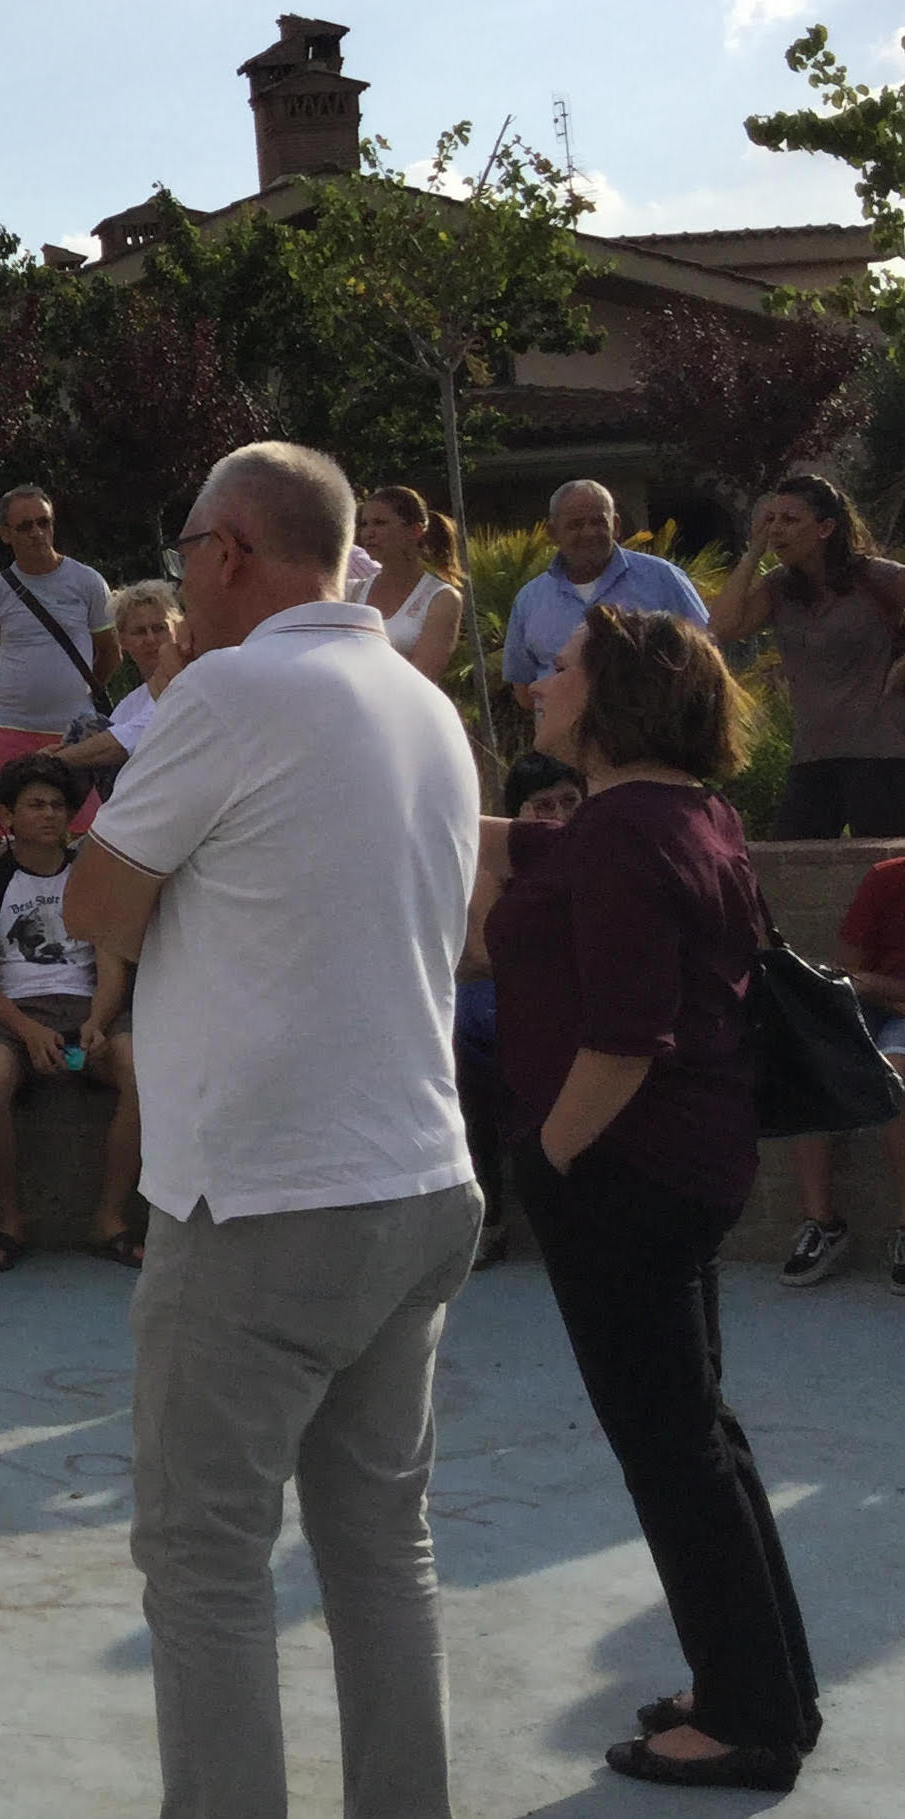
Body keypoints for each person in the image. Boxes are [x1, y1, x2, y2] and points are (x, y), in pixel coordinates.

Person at [64, 441, 484, 1819]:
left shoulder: (228, 690)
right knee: (382, 1548)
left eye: (186, 551)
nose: (179, 583)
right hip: (420, 1179)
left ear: (231, 549)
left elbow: (94, 908)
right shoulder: (424, 707)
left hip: (261, 1202)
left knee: (202, 1555)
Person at [480, 605, 817, 1791]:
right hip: (687, 1167)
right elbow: (521, 851)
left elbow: (625, 1037)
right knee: (702, 1438)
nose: (538, 682)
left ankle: (748, 1724)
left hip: (622, 1175)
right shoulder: (685, 813)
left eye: (560, 667)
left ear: (613, 692)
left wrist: (546, 1160)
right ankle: (762, 1684)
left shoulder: (624, 830)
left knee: (671, 1451)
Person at [0, 753, 141, 1272]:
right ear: (9, 816)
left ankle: (110, 1219)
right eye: (35, 805)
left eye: (59, 805)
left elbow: (111, 970)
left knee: (141, 1070)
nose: (49, 815)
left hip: (86, 1007)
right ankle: (8, 1222)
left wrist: (97, 1023)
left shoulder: (91, 875)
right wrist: (27, 1029)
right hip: (13, 1012)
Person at [709, 472, 905, 838]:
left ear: (826, 527)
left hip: (880, 754)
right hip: (812, 756)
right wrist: (753, 551)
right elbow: (721, 629)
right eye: (771, 520)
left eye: (789, 520)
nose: (776, 530)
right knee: (793, 866)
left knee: (882, 869)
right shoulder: (779, 588)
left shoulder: (875, 578)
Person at [454, 749, 584, 1267]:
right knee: (466, 1041)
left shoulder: (596, 854)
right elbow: (484, 952)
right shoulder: (499, 866)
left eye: (570, 802)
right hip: (497, 996)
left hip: (571, 1003)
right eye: (543, 806)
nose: (557, 816)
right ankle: (489, 1213)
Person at [777, 849, 905, 1293]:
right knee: (811, 1061)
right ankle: (823, 1224)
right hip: (875, 1003)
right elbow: (848, 970)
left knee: (895, 1074)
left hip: (891, 1003)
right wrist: (888, 993)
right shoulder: (886, 878)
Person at [0, 485, 117, 834]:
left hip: (75, 731)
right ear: (4, 534)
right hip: (11, 727)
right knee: (9, 832)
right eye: (24, 526)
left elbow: (111, 654)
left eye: (44, 522)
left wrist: (75, 692)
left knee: (89, 831)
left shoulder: (87, 582)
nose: (37, 533)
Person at [501, 479, 710, 710]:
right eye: (576, 525)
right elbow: (523, 689)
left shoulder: (663, 578)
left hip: (651, 739)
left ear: (616, 526)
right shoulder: (529, 600)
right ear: (552, 532)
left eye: (599, 522)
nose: (589, 532)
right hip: (564, 742)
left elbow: (706, 652)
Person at [52, 581, 185, 777]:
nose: (150, 639)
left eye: (159, 629)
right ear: (122, 641)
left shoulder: (187, 682)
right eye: (140, 632)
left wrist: (53, 761)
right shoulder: (129, 705)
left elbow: (121, 744)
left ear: (176, 630)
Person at [350, 486, 466, 680]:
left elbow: (423, 676)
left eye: (380, 523)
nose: (369, 533)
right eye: (364, 524)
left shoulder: (441, 599)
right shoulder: (354, 592)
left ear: (415, 530)